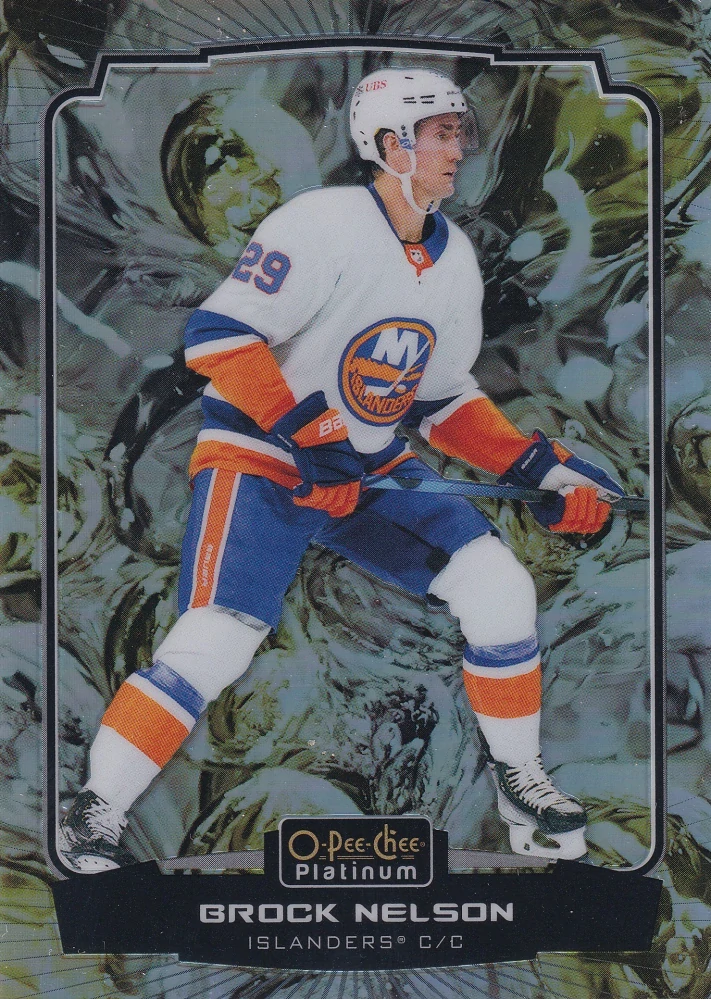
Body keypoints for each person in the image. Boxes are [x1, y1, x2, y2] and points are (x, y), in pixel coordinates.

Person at [59, 67, 623, 872]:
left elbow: (439, 400)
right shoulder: (319, 222)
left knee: (497, 585)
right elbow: (220, 337)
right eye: (440, 134)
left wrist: (539, 466)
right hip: (262, 454)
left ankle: (520, 782)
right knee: (215, 642)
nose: (457, 148)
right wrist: (306, 428)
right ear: (389, 145)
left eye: (458, 132)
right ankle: (95, 812)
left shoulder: (454, 259)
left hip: (364, 463)